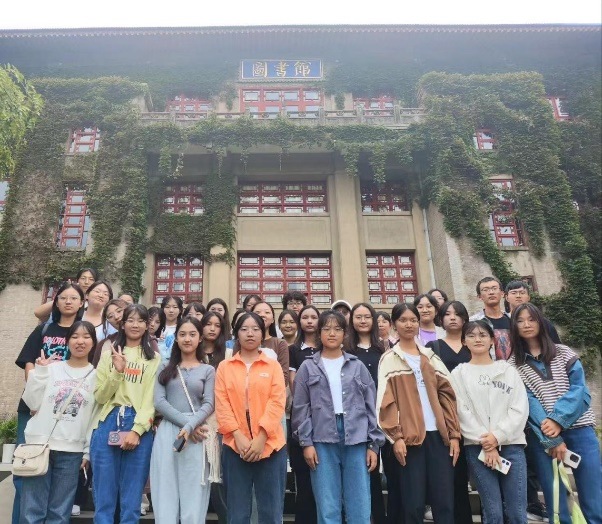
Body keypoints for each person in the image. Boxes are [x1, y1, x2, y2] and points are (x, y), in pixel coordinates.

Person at [509, 303, 602, 524]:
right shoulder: (512, 365)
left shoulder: (564, 352)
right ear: (514, 326)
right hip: (543, 436)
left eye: (531, 319)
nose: (526, 324)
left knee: (593, 492)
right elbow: (527, 401)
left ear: (540, 322)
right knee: (556, 500)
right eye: (520, 321)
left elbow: (579, 390)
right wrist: (552, 436)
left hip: (580, 429)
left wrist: (558, 420)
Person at [292, 310, 384, 524]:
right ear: (319, 333)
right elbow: (301, 408)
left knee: (359, 503)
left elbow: (371, 406)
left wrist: (373, 444)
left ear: (345, 333)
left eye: (337, 329)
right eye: (326, 329)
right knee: (327, 505)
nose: (332, 333)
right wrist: (306, 443)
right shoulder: (308, 367)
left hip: (357, 437)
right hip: (321, 438)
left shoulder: (357, 366)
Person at [377, 303, 461, 524]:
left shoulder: (430, 357)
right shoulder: (389, 359)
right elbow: (385, 402)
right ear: (394, 324)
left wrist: (453, 434)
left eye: (413, 320)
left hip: (438, 437)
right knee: (413, 504)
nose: (409, 324)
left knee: (444, 502)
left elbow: (449, 396)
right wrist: (396, 437)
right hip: (410, 439)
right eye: (403, 320)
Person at [13, 281, 85, 524]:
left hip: (64, 412)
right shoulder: (44, 330)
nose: (68, 301)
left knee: (58, 483)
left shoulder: (82, 334)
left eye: (73, 298)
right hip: (34, 408)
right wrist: (36, 396)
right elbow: (29, 362)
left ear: (81, 303)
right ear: (56, 302)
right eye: (63, 297)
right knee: (28, 467)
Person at [19, 321, 99, 524]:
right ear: (67, 341)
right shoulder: (51, 369)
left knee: (60, 514)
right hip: (39, 447)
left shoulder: (97, 376)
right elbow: (32, 402)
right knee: (31, 512)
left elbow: (94, 418)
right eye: (75, 336)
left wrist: (87, 451)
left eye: (86, 337)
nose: (80, 341)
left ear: (93, 342)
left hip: (72, 451)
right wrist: (40, 372)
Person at [451, 319, 529, 524]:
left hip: (511, 445)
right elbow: (461, 411)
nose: (477, 339)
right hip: (477, 448)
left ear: (492, 340)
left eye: (483, 335)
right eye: (471, 335)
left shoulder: (508, 371)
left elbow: (519, 408)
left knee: (517, 513)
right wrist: (487, 443)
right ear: (464, 341)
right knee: (493, 513)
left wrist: (497, 436)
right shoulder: (458, 374)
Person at [90, 304, 160, 524]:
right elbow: (100, 396)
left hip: (139, 423)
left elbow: (151, 400)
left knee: (132, 498)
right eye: (130, 320)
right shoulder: (108, 354)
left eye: (141, 321)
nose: (135, 325)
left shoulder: (154, 359)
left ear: (147, 325)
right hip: (108, 421)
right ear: (122, 324)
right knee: (104, 496)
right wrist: (117, 372)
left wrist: (137, 431)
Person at [215, 312, 287, 524]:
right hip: (235, 445)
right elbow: (222, 403)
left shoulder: (272, 366)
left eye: (255, 329)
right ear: (236, 334)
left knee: (270, 512)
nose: (250, 333)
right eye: (244, 329)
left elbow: (277, 401)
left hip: (270, 444)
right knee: (237, 512)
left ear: (262, 333)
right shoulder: (225, 367)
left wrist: (261, 437)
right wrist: (237, 436)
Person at [151, 316, 215, 524]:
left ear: (200, 338)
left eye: (192, 334)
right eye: (182, 334)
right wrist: (186, 426)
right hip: (169, 430)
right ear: (176, 338)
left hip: (197, 434)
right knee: (165, 489)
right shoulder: (164, 367)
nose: (187, 339)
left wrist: (190, 426)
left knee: (194, 491)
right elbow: (159, 402)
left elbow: (209, 403)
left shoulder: (208, 370)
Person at [425, 300, 473, 524]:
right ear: (440, 319)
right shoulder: (433, 348)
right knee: (448, 476)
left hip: (473, 418)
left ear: (465, 318)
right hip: (445, 418)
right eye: (447, 314)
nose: (452, 317)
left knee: (469, 475)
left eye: (457, 313)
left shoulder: (474, 344)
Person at [346, 303, 386, 524]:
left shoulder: (384, 349)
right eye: (358, 317)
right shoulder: (346, 350)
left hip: (384, 415)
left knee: (380, 473)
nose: (362, 321)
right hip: (358, 418)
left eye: (367, 317)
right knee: (363, 472)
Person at [288, 305, 321, 524]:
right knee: (304, 481)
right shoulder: (293, 350)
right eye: (305, 317)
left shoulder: (327, 347)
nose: (309, 321)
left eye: (313, 317)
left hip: (325, 419)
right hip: (302, 417)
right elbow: (294, 383)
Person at [33, 268, 97, 322]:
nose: (86, 282)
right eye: (83, 278)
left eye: (91, 279)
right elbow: (38, 313)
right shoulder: (66, 302)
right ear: (77, 281)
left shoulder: (97, 303)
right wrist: (65, 293)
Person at [470, 277, 511, 360]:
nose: (491, 292)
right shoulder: (472, 322)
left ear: (502, 293)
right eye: (485, 290)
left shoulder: (512, 319)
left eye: (494, 288)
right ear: (479, 296)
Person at [252, 300, 289, 386]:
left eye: (267, 312)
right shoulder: (241, 342)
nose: (262, 315)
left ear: (273, 319)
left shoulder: (280, 344)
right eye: (258, 312)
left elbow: (284, 377)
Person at [160, 295, 184, 360]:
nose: (171, 310)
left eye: (175, 307)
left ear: (180, 310)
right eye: (167, 307)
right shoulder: (157, 327)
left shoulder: (182, 328)